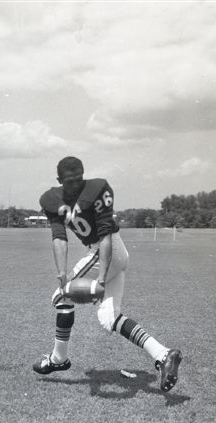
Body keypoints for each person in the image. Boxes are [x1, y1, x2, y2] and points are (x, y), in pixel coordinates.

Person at [32, 156, 182, 392]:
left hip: (107, 248)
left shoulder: (97, 189)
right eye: (69, 181)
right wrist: (62, 272)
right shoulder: (51, 198)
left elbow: (105, 235)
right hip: (110, 252)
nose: (75, 185)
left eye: (78, 179)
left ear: (84, 175)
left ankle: (58, 359)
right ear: (59, 180)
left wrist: (100, 278)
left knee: (60, 298)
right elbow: (59, 237)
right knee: (109, 318)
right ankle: (163, 354)